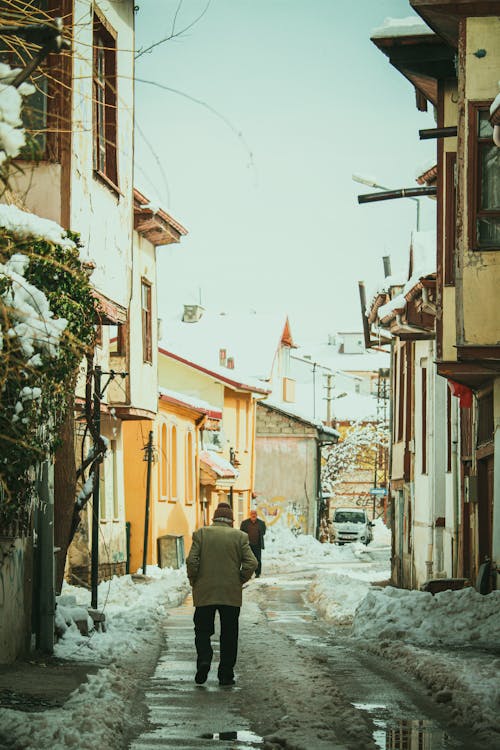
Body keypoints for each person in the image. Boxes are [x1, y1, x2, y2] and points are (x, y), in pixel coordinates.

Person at [186, 501, 257, 687]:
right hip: (230, 594)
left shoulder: (201, 534)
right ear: (231, 520)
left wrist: (194, 580)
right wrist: (240, 579)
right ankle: (225, 675)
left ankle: (204, 659)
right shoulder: (240, 536)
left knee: (202, 630)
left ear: (214, 518)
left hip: (205, 592)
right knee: (229, 634)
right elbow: (252, 563)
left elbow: (192, 560)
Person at [240, 509, 266, 578]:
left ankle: (257, 573)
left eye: (255, 514)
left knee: (258, 559)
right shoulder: (245, 523)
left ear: (256, 515)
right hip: (248, 545)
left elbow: (263, 532)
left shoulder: (261, 523)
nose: (253, 515)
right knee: (247, 560)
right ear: (250, 515)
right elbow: (241, 532)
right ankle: (248, 573)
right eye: (252, 514)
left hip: (257, 545)